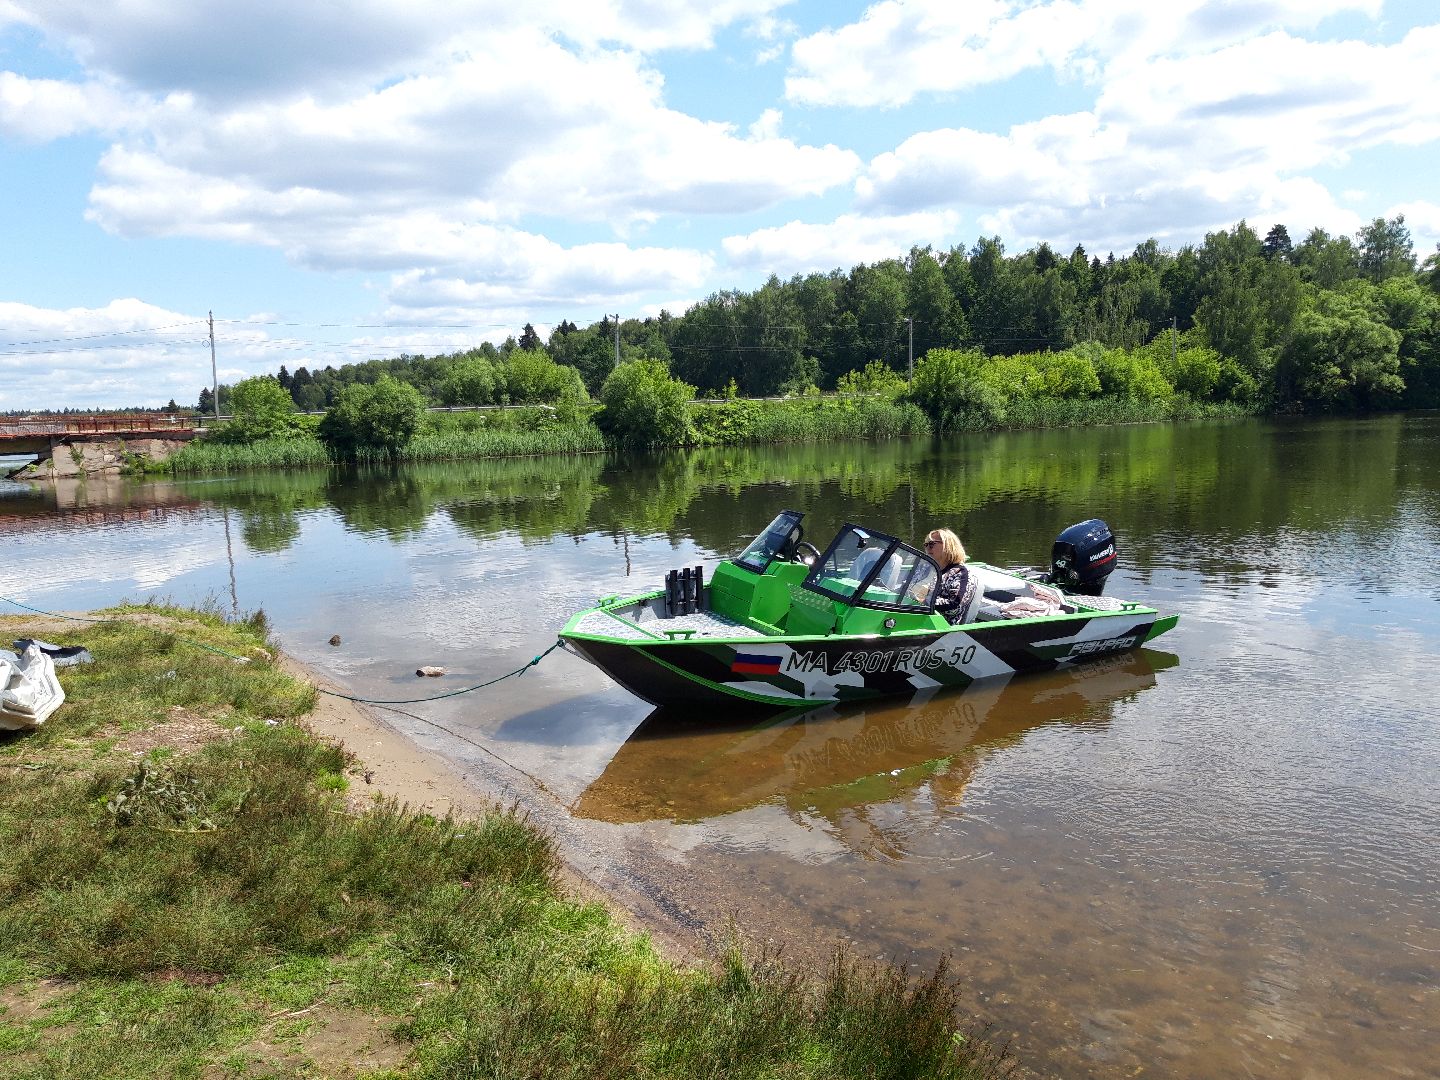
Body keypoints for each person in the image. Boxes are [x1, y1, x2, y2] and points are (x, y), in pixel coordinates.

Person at [922, 528, 980, 624]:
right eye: (926, 545)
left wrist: (926, 601)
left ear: (948, 546)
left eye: (932, 544)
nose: (928, 548)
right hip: (919, 615)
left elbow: (954, 606)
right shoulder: (929, 569)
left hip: (940, 627)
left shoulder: (962, 573)